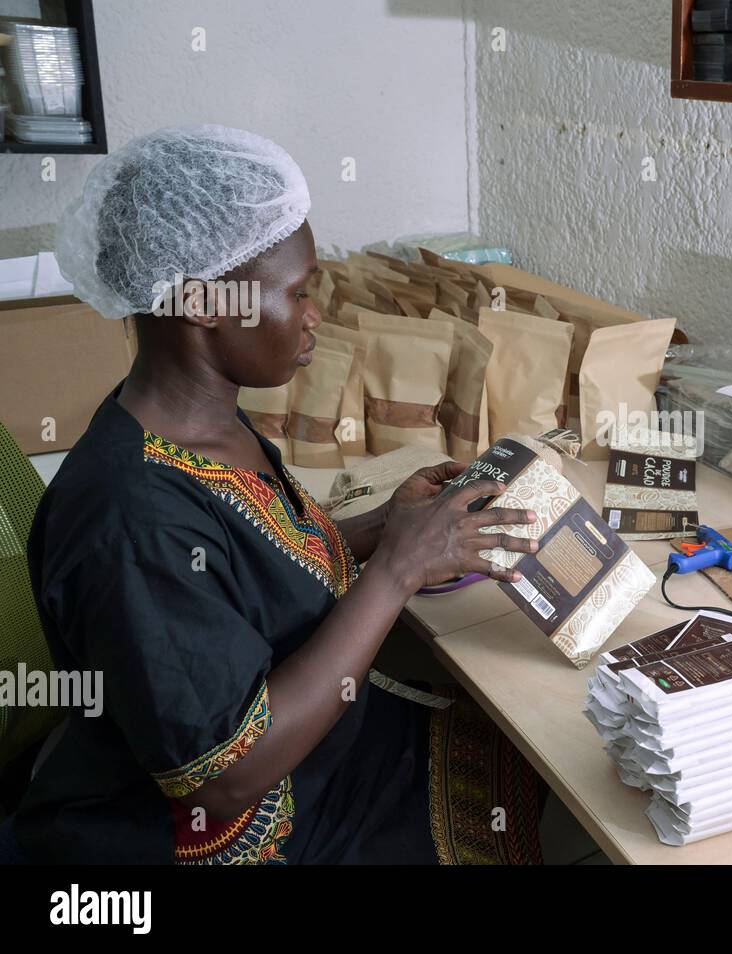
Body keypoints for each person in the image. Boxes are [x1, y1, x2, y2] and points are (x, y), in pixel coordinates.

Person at [16, 125, 544, 864]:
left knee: (516, 745)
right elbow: (222, 779)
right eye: (296, 293)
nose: (314, 315)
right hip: (224, 825)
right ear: (203, 302)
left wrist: (381, 527)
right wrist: (395, 571)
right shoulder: (127, 519)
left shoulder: (200, 425)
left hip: (307, 758)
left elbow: (243, 564)